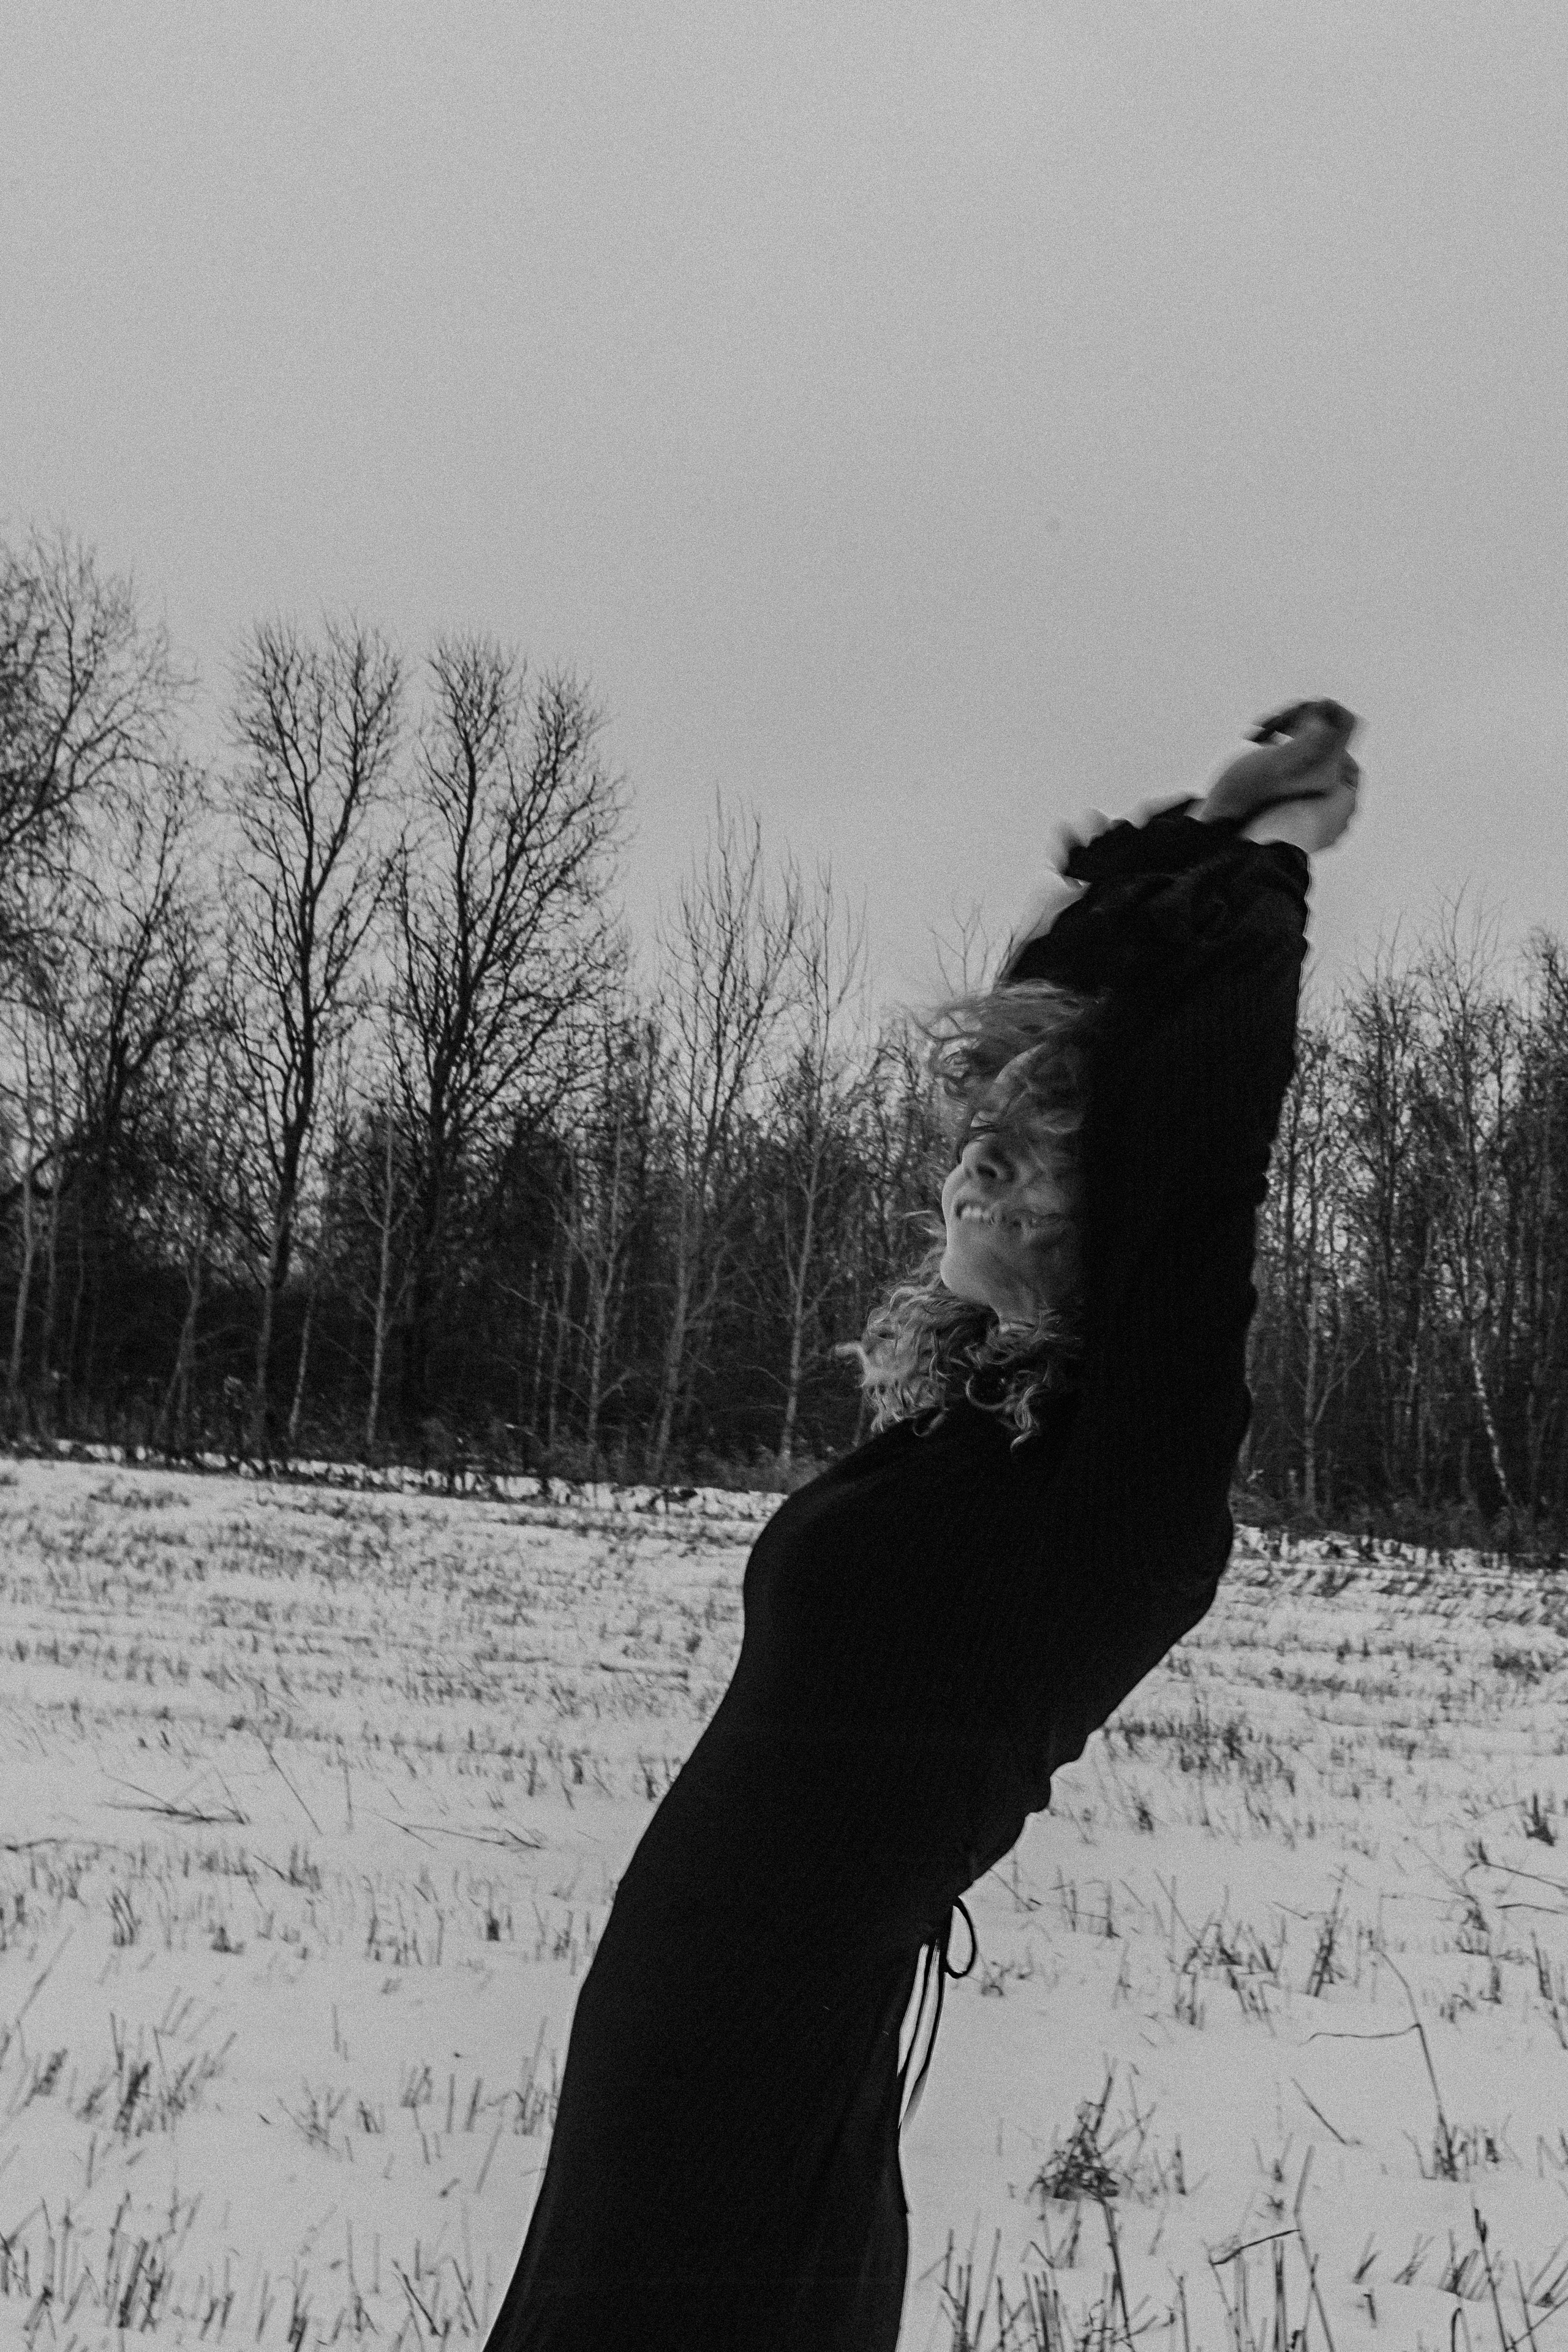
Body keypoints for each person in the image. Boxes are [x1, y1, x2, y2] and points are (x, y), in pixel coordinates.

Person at [484, 699, 1362, 2351]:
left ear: (1110, 1224)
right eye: (980, 1141)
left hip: (769, 2068)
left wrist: (1278, 864)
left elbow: (1204, 1161)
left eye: (1035, 1162)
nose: (978, 1173)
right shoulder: (957, 1432)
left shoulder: (1120, 1496)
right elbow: (1067, 1006)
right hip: (683, 2045)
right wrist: (1191, 844)